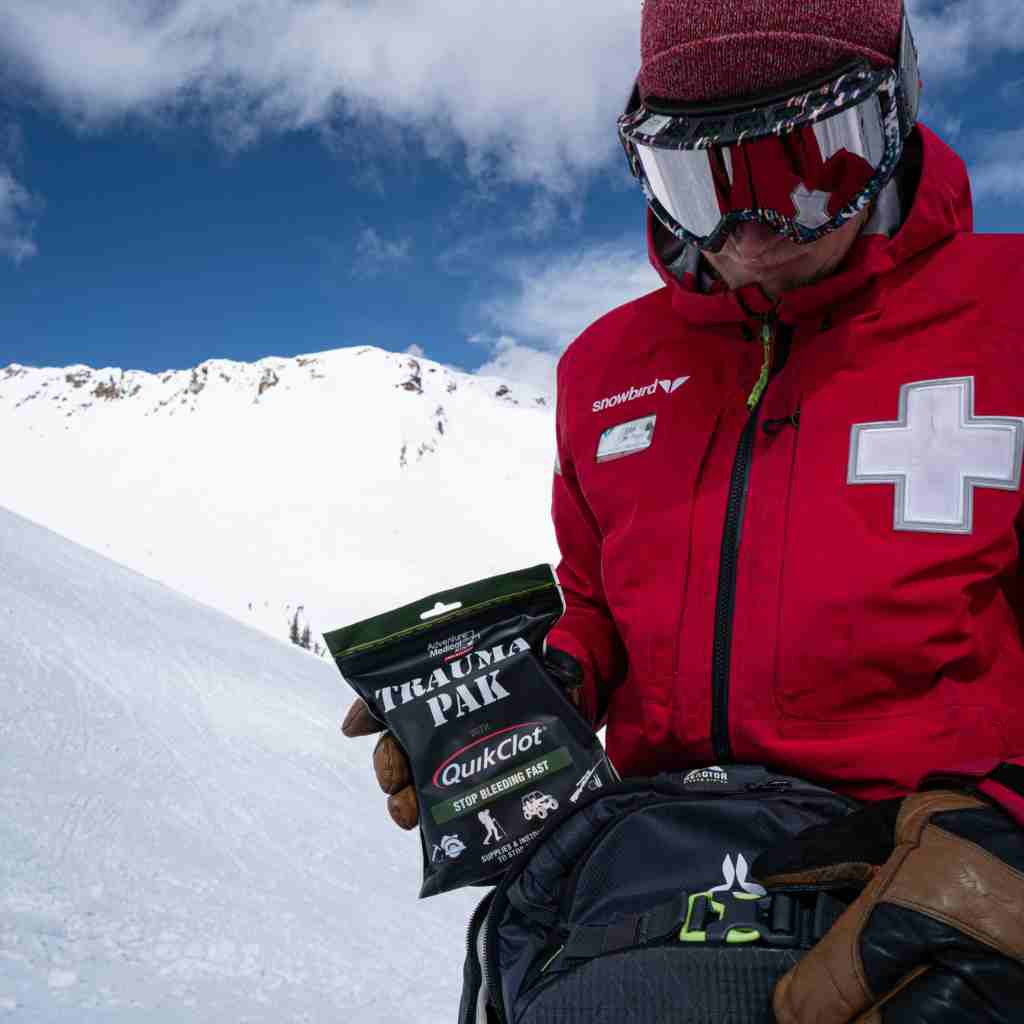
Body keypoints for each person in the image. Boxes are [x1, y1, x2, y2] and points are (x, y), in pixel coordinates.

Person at [345, 0, 1024, 1017]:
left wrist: (1009, 837)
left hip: (930, 863)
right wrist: (541, 688)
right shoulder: (605, 369)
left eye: (810, 167)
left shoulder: (1002, 315)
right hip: (656, 859)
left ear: (895, 114)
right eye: (698, 183)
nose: (750, 235)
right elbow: (599, 601)